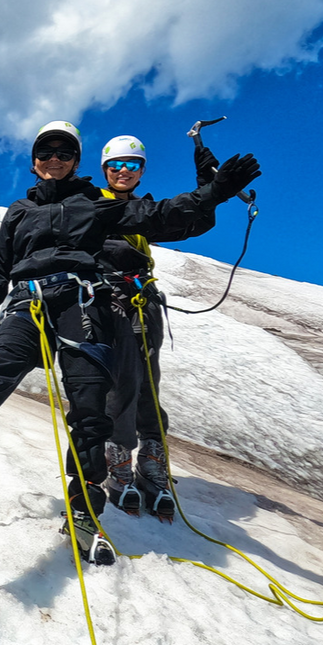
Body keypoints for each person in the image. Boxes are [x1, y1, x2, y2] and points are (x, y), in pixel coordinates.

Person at [0, 121, 260, 565]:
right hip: (29, 298)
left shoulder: (95, 203)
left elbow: (160, 216)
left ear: (76, 161)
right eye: (46, 153)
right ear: (34, 162)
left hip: (82, 301)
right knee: (3, 361)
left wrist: (215, 191)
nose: (54, 159)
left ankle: (85, 508)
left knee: (90, 409)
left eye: (63, 153)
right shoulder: (18, 211)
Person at [97, 135, 219, 519]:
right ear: (104, 169)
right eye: (116, 164)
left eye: (132, 165)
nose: (123, 171)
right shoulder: (92, 204)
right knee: (123, 379)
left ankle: (150, 456)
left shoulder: (145, 209)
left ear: (142, 171)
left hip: (143, 302)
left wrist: (209, 186)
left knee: (149, 379)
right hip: (109, 300)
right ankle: (118, 454)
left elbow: (194, 223)